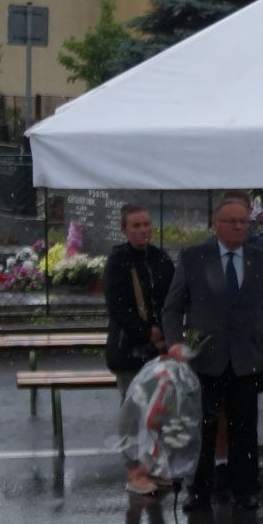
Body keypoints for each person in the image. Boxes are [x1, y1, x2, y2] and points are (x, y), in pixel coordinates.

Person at [161, 193, 263, 511]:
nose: (239, 227)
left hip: (247, 357)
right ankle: (198, 490)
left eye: (244, 222)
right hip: (205, 358)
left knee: (244, 428)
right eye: (231, 222)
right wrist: (174, 342)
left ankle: (245, 489)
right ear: (216, 224)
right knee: (203, 426)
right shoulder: (194, 257)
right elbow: (172, 307)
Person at [105, 203, 178, 494]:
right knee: (132, 412)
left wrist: (166, 332)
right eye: (136, 225)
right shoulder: (118, 261)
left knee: (158, 410)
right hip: (128, 349)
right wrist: (147, 332)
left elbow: (172, 299)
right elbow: (118, 308)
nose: (143, 230)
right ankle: (134, 470)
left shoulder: (161, 259)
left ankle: (154, 464)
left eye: (146, 224)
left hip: (158, 349)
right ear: (124, 229)